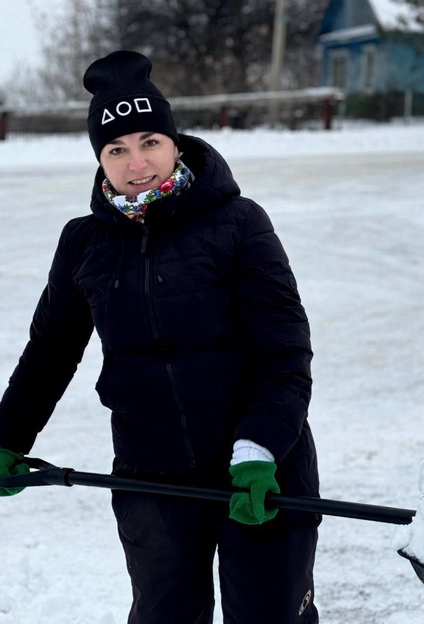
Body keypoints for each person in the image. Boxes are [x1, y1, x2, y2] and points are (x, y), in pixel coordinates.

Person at [0, 51, 320, 624]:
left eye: (149, 140)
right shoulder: (85, 243)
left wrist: (259, 448)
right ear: (100, 160)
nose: (136, 162)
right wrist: (7, 436)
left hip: (259, 471)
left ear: (174, 141)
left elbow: (285, 350)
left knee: (270, 615)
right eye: (116, 149)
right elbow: (49, 350)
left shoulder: (239, 223)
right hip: (152, 475)